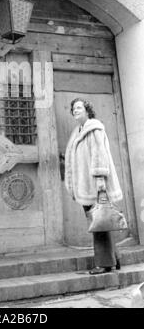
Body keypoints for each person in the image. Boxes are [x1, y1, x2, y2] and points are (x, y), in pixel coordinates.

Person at [64, 98, 123, 275]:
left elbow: (99, 155)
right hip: (85, 186)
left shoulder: (94, 128)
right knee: (101, 221)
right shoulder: (78, 131)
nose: (75, 110)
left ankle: (103, 264)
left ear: (87, 109)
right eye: (73, 108)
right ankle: (115, 259)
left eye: (79, 107)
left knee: (99, 224)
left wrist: (100, 183)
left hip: (95, 186)